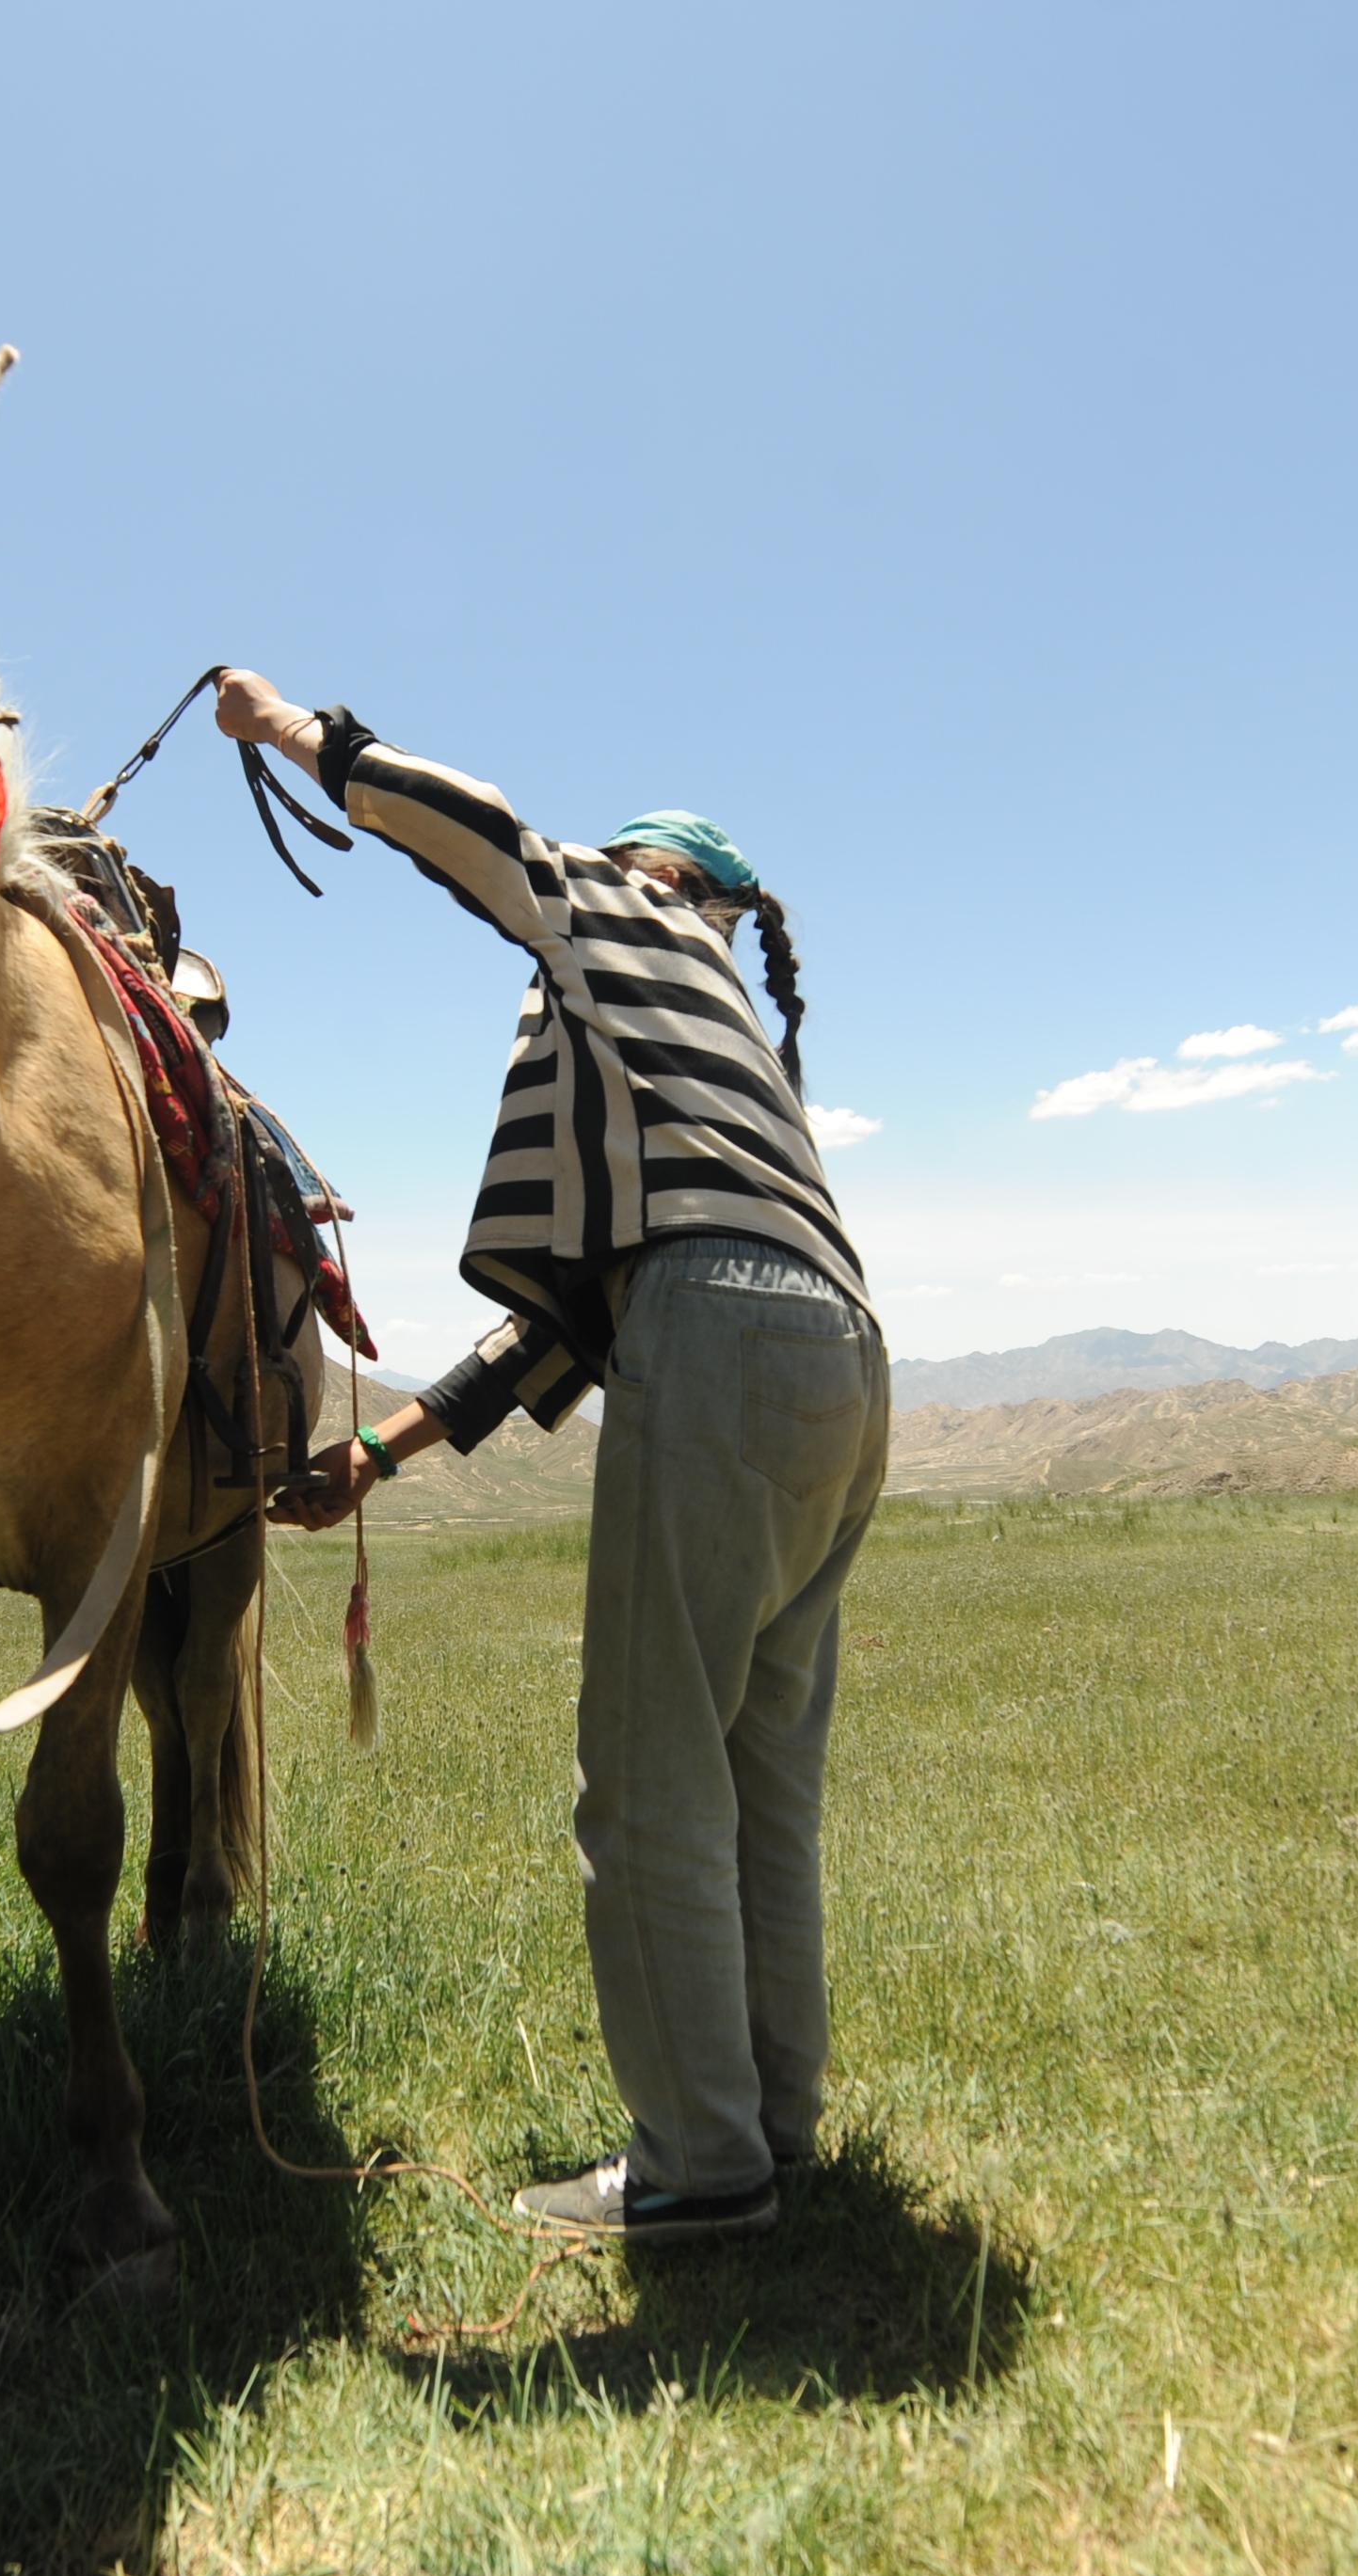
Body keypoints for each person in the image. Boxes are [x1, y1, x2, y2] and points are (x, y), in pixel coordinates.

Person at [217, 668, 887, 2245]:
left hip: (722, 1337)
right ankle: (769, 2133)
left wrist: (306, 736)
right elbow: (583, 1314)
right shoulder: (731, 1041)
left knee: (647, 1792)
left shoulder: (630, 919)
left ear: (664, 879)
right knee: (756, 1779)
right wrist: (384, 1448)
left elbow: (496, 841)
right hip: (842, 1356)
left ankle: (700, 2174)